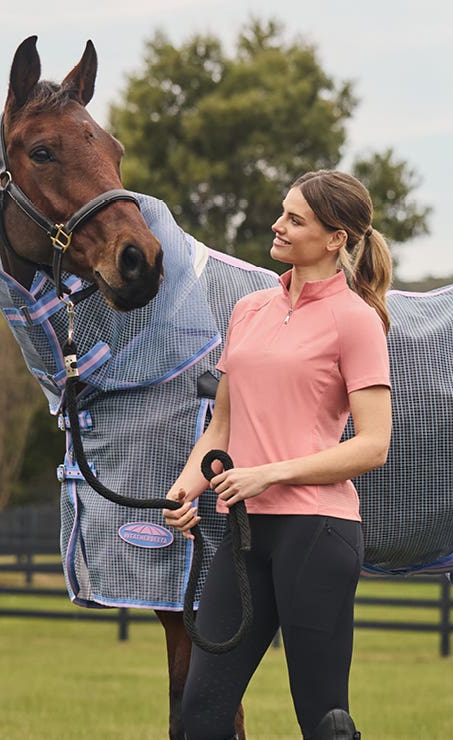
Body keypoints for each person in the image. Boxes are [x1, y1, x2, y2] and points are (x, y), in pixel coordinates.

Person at [163, 170, 393, 740]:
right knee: (200, 718)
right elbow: (223, 424)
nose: (278, 225)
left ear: (336, 237)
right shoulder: (249, 310)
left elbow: (373, 444)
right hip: (244, 537)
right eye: (282, 213)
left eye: (296, 219)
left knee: (323, 721)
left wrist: (269, 473)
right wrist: (184, 487)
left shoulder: (356, 320)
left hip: (317, 532)